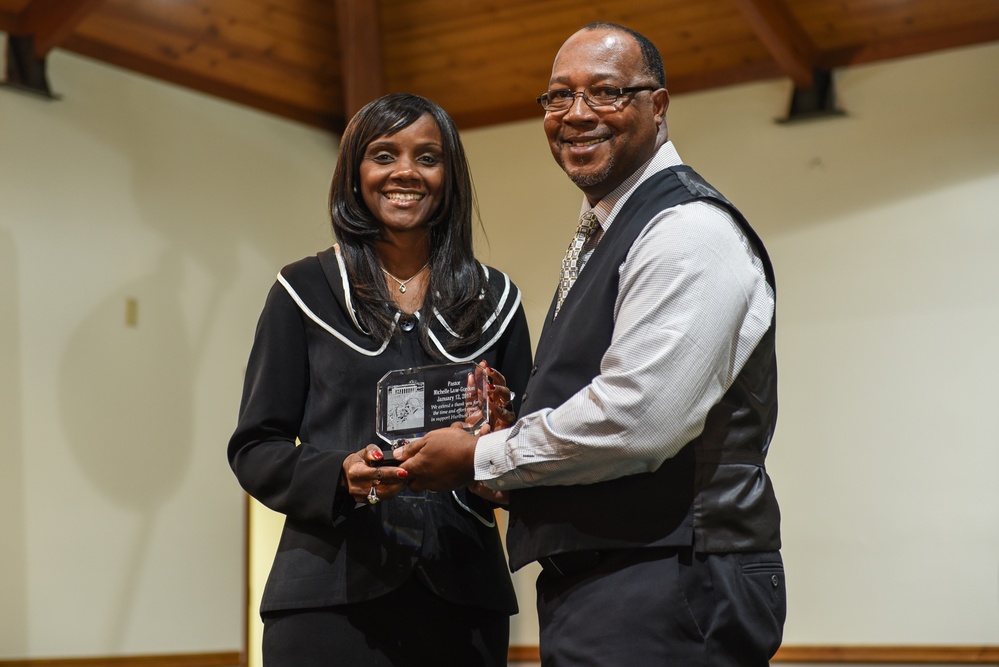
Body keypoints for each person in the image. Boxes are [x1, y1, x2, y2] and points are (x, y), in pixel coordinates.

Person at [395, 23, 785, 665]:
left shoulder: (685, 230)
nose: (576, 115)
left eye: (605, 92)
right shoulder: (611, 229)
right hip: (610, 582)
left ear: (657, 106)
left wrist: (483, 455)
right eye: (557, 97)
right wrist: (505, 444)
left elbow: (637, 420)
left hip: (670, 579)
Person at [227, 92, 532, 666]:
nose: (405, 173)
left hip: (462, 598)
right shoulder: (303, 292)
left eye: (427, 157)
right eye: (383, 154)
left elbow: (531, 446)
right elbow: (255, 447)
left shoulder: (497, 301)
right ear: (355, 173)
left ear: (450, 175)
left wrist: (490, 460)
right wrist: (339, 473)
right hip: (326, 596)